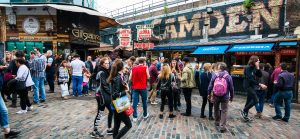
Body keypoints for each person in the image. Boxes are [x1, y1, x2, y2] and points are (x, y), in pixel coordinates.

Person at [107, 59, 132, 139]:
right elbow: (115, 94)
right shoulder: (117, 77)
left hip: (115, 104)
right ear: (121, 67)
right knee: (128, 125)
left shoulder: (116, 76)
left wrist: (124, 86)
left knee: (117, 125)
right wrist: (126, 91)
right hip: (119, 104)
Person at [208, 62, 234, 133]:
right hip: (225, 96)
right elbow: (231, 88)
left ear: (219, 68)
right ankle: (222, 126)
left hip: (216, 95)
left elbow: (210, 86)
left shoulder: (214, 75)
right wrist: (231, 96)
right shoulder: (228, 76)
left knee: (216, 108)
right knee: (224, 110)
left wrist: (209, 94)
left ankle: (217, 122)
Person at [92, 57, 114, 137]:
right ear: (102, 64)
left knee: (111, 111)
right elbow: (104, 85)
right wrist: (112, 93)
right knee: (100, 113)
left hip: (105, 95)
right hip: (101, 96)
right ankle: (94, 131)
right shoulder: (102, 72)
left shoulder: (105, 71)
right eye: (106, 63)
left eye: (108, 63)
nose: (107, 65)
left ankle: (109, 129)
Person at [240, 56, 267, 121]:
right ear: (254, 61)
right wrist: (260, 84)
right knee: (256, 99)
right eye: (258, 61)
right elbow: (250, 79)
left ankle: (245, 115)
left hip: (252, 86)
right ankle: (244, 110)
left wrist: (258, 68)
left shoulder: (254, 68)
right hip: (247, 86)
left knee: (248, 101)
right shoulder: (248, 68)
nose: (259, 62)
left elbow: (260, 75)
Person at [129, 57, 150, 122]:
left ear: (138, 62)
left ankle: (135, 117)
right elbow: (148, 76)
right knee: (144, 102)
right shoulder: (145, 68)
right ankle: (145, 114)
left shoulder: (133, 68)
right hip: (143, 87)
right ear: (143, 62)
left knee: (134, 103)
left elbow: (130, 78)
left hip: (135, 87)